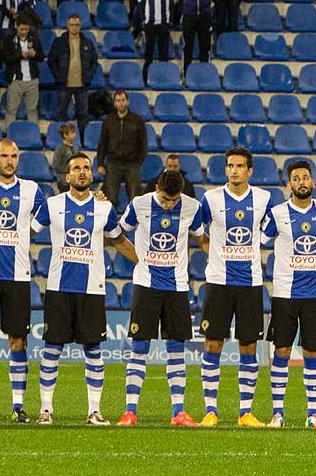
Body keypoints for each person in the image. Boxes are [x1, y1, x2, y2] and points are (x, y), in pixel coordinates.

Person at [105, 168, 207, 427]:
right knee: (139, 348)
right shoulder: (139, 204)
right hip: (146, 285)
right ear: (157, 188)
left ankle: (178, 413)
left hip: (177, 287)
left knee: (176, 349)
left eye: (174, 200)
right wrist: (136, 258)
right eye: (165, 199)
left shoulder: (192, 207)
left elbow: (201, 238)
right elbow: (116, 234)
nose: (169, 204)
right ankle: (130, 412)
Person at [191, 149, 274, 427]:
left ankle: (245, 413)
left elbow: (270, 233)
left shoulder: (263, 199)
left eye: (240, 166)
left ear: (250, 170)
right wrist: (213, 254)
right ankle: (211, 411)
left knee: (248, 345)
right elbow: (197, 231)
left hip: (250, 282)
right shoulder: (211, 199)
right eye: (230, 166)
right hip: (218, 281)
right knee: (213, 342)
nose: (234, 170)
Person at [33, 152, 114, 425]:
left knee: (93, 350)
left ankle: (94, 410)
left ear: (92, 175)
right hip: (58, 288)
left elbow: (118, 238)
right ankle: (46, 409)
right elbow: (26, 230)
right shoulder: (52, 205)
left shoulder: (105, 208)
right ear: (67, 176)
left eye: (86, 168)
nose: (82, 172)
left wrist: (142, 261)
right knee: (52, 349)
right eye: (76, 168)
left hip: (93, 289)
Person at [263, 160, 316, 429]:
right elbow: (259, 241)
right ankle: (277, 413)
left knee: (311, 352)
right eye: (296, 178)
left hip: (315, 293)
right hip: (284, 293)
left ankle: (313, 414)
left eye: (305, 177)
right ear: (288, 184)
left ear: (312, 182)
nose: (302, 182)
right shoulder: (278, 213)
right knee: (281, 350)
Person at [96, 90, 147, 206]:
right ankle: (110, 222)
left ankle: (135, 223)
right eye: (118, 101)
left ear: (127, 102)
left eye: (123, 100)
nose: (121, 103)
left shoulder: (138, 120)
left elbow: (143, 143)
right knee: (110, 198)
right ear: (114, 103)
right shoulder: (108, 120)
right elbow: (102, 143)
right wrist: (100, 163)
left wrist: (139, 161)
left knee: (135, 199)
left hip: (132, 164)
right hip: (113, 163)